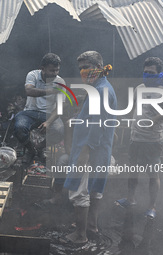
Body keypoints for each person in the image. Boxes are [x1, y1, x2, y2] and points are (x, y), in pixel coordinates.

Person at [116, 57, 163, 219]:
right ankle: (130, 199)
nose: (147, 75)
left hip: (153, 141)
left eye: (151, 73)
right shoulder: (139, 88)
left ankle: (152, 207)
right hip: (136, 138)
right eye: (145, 72)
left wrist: (159, 117)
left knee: (152, 175)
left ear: (158, 73)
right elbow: (135, 108)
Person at [62, 51, 117, 244]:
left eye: (86, 67)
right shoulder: (103, 87)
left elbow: (96, 127)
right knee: (94, 190)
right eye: (80, 69)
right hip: (100, 151)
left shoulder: (100, 91)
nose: (83, 72)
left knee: (79, 192)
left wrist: (84, 153)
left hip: (90, 150)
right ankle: (91, 226)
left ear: (97, 67)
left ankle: (80, 236)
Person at [13, 53, 65, 163]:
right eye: (52, 70)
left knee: (60, 130)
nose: (55, 73)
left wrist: (49, 122)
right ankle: (30, 149)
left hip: (48, 114)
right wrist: (51, 91)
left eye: (57, 70)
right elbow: (29, 91)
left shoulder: (60, 82)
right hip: (30, 112)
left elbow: (60, 108)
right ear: (42, 68)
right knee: (19, 127)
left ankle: (38, 148)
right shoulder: (33, 75)